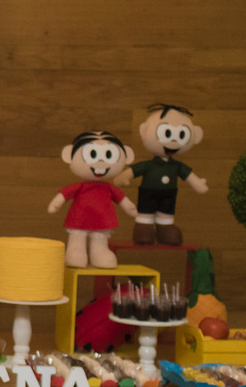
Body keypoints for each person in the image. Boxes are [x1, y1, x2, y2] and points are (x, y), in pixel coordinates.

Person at [114, 103, 207, 246]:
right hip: (148, 194)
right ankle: (144, 229)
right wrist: (124, 177)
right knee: (145, 212)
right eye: (167, 133)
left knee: (166, 213)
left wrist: (198, 184)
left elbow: (189, 176)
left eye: (181, 135)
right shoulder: (148, 165)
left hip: (169, 195)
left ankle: (166, 229)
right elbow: (133, 171)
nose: (173, 141)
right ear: (144, 131)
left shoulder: (176, 166)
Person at [47, 130, 137, 268]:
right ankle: (75, 252)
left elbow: (123, 200)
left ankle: (100, 253)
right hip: (79, 219)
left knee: (99, 241)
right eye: (93, 154)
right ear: (69, 155)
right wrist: (57, 203)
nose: (100, 162)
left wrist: (131, 208)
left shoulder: (109, 188)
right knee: (77, 240)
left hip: (102, 221)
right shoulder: (80, 187)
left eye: (108, 155)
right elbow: (64, 195)